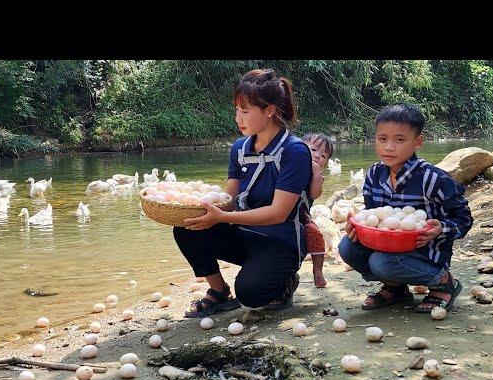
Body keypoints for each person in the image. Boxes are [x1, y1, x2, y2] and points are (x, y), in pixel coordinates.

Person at [173, 69, 312, 317]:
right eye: (236, 110)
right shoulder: (240, 148)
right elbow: (230, 201)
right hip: (246, 234)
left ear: (269, 110)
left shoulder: (295, 151)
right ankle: (219, 292)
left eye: (245, 111)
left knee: (250, 294)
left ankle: (285, 281)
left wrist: (222, 218)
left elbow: (278, 213)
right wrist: (199, 204)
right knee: (187, 226)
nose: (238, 118)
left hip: (281, 242)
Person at [338, 103, 473, 312]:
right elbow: (377, 219)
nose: (389, 147)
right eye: (382, 139)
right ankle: (396, 288)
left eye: (399, 139)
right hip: (388, 248)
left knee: (381, 263)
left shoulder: (433, 179)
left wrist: (441, 229)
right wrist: (359, 227)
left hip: (426, 253)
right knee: (347, 246)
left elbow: (464, 218)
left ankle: (443, 282)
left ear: (418, 142)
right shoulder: (374, 175)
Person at [301, 133, 334, 288]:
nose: (317, 156)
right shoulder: (290, 166)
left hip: (303, 216)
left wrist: (315, 174)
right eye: (313, 149)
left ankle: (318, 270)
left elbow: (315, 194)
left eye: (323, 156)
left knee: (316, 236)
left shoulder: (318, 176)